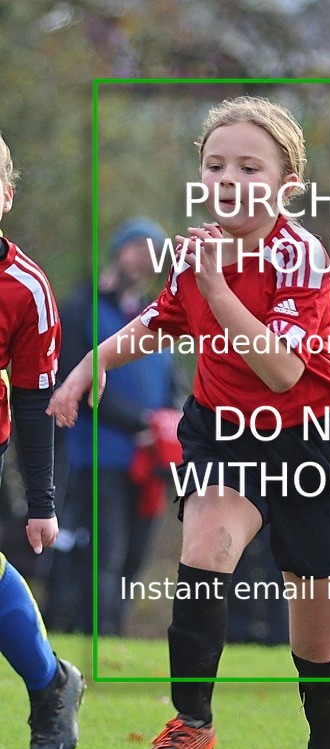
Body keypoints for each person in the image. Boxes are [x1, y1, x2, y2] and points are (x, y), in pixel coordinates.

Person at [49, 96, 330, 749]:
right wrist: (86, 367)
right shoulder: (193, 253)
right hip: (222, 432)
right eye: (216, 165)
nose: (229, 179)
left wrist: (216, 284)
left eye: (250, 166)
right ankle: (191, 721)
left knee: (317, 646)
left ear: (287, 183)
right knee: (204, 550)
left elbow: (281, 369)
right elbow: (164, 324)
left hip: (307, 442)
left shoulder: (299, 255)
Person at [46, 217, 181, 635]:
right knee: (104, 552)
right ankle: (94, 635)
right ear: (117, 252)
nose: (142, 260)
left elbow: (171, 385)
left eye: (151, 253)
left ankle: (116, 633)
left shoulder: (155, 317)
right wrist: (141, 421)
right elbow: (75, 377)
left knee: (133, 558)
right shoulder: (80, 308)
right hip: (98, 456)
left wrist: (170, 423)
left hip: (149, 463)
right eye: (135, 248)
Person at [0, 131, 84, 749]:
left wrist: (42, 502)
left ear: (5, 197)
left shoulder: (25, 289)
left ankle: (51, 682)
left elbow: (33, 402)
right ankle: (52, 680)